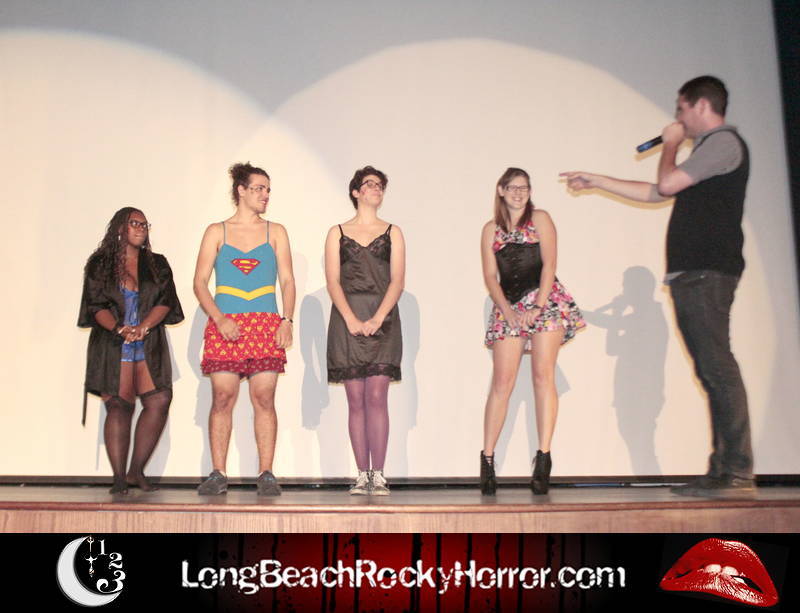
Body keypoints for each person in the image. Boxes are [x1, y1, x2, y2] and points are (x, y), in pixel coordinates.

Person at [561, 75, 753, 496]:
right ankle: (723, 471)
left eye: (681, 109)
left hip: (707, 272)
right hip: (693, 274)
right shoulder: (707, 151)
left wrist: (670, 145)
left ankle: (736, 472)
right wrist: (598, 180)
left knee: (718, 370)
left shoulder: (723, 143)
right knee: (711, 372)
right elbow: (656, 192)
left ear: (701, 105)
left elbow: (666, 183)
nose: (677, 117)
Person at [480, 168, 585, 496]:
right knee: (502, 382)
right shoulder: (490, 229)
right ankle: (487, 459)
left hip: (545, 301)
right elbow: (490, 276)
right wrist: (509, 311)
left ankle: (543, 458)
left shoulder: (540, 218)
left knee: (543, 376)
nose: (518, 193)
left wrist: (537, 307)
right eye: (512, 187)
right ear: (501, 190)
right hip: (508, 305)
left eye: (524, 187)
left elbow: (550, 264)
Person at [194, 162, 295, 496]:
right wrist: (220, 319)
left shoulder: (275, 232)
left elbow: (287, 280)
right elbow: (199, 282)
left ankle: (266, 472)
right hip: (227, 323)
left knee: (264, 396)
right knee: (223, 396)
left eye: (268, 190)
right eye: (259, 188)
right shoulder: (217, 231)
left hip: (265, 323)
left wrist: (287, 320)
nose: (265, 195)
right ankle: (218, 473)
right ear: (241, 190)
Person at [79, 207, 184, 494]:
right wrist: (120, 328)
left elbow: (166, 301)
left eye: (145, 224)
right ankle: (118, 479)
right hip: (114, 343)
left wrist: (144, 326)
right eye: (134, 223)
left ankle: (136, 471)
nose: (141, 228)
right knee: (119, 405)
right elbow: (95, 305)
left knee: (159, 400)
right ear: (119, 228)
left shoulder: (157, 263)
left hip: (148, 341)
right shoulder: (100, 264)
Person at [325, 166, 405, 495]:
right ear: (356, 192)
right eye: (369, 184)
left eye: (380, 185)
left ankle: (379, 474)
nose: (376, 188)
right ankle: (362, 474)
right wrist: (351, 319)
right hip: (347, 319)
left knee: (377, 397)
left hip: (383, 319)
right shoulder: (337, 232)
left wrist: (377, 318)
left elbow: (397, 281)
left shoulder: (393, 232)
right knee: (355, 400)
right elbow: (333, 281)